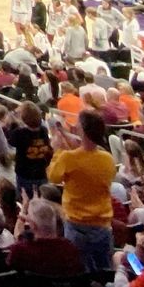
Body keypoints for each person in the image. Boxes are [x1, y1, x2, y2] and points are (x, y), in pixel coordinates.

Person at [47, 110, 116, 274]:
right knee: (104, 271)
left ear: (83, 130)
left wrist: (57, 151)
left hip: (76, 224)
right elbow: (86, 159)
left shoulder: (67, 158)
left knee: (79, 271)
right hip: (102, 225)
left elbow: (53, 176)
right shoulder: (108, 158)